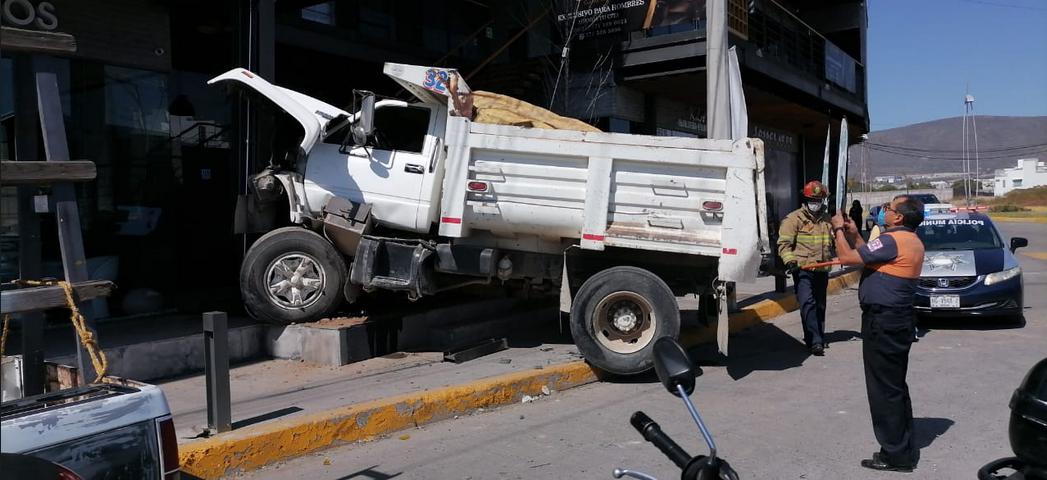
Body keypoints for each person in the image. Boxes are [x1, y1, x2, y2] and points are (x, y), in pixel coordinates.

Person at [831, 196, 926, 472]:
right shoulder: (905, 240)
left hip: (884, 321)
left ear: (899, 218)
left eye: (889, 208)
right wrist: (853, 234)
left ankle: (894, 455)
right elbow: (868, 255)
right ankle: (903, 446)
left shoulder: (892, 239)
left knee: (883, 389)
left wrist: (838, 229)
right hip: (895, 320)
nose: (884, 211)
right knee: (894, 385)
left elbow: (848, 258)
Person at [777, 180, 834, 356]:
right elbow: (783, 245)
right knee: (807, 304)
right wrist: (790, 261)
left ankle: (816, 337)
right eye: (812, 199)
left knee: (820, 306)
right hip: (803, 270)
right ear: (806, 199)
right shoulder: (794, 219)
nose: (815, 203)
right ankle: (815, 340)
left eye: (818, 200)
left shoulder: (827, 219)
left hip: (822, 270)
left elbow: (832, 242)